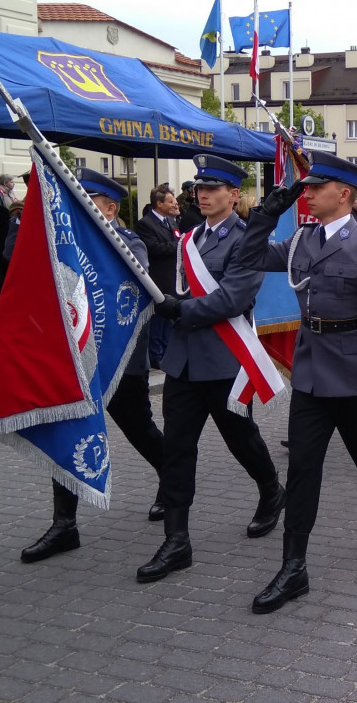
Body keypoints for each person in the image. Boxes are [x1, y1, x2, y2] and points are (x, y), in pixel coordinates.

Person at [236, 152, 357, 614]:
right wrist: (265, 215)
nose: (305, 194)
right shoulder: (301, 240)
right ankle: (294, 567)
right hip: (311, 370)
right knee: (303, 468)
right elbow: (247, 257)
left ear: (343, 194)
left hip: (354, 373)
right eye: (306, 187)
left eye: (315, 187)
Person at [137, 155, 285, 584]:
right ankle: (176, 541)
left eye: (212, 188)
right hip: (183, 362)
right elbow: (182, 290)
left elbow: (234, 298)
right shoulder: (189, 237)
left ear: (233, 195)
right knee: (178, 449)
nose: (202, 195)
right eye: (199, 188)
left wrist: (178, 309)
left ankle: (271, 489)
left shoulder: (245, 240)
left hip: (224, 361)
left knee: (242, 439)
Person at [20, 168, 167, 564]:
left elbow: (130, 291)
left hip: (120, 360)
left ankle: (173, 479)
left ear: (110, 208)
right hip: (76, 359)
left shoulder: (130, 243)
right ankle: (64, 524)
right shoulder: (67, 243)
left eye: (86, 203)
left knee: (139, 429)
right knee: (69, 429)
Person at [135, 185, 182, 369]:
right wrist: (179, 245)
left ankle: (168, 352)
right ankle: (156, 355)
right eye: (170, 201)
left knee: (169, 319)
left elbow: (176, 240)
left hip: (173, 277)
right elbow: (153, 248)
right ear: (159, 203)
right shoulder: (146, 224)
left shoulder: (172, 221)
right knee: (158, 319)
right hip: (158, 278)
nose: (174, 204)